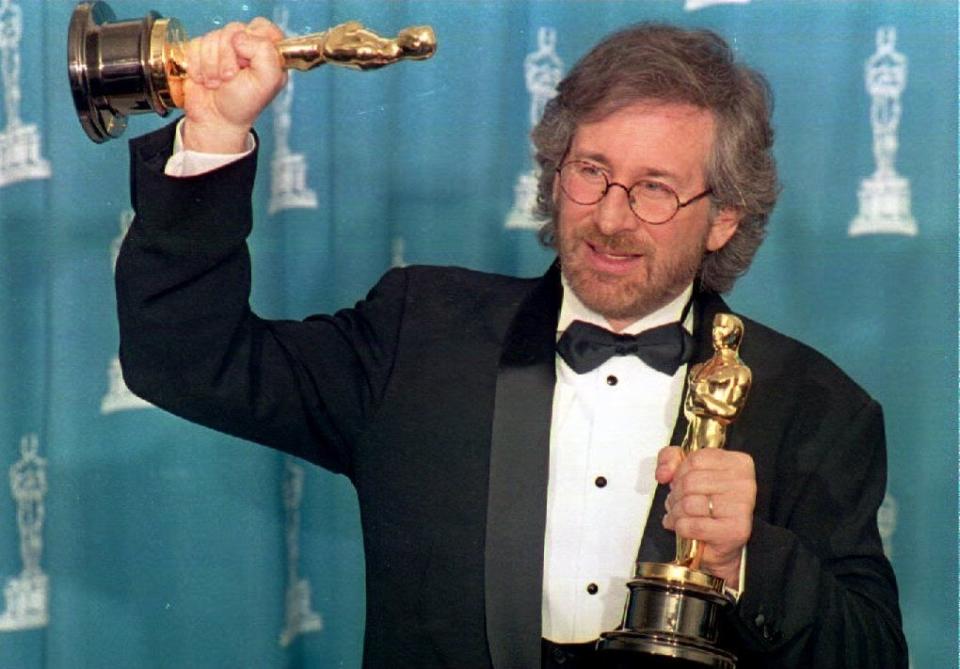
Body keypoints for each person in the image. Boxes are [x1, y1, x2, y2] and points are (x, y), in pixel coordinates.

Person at [115, 18, 907, 669]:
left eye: (656, 188)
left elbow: (872, 655)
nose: (610, 216)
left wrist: (748, 560)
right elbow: (188, 361)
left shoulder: (816, 408)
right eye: (591, 171)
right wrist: (215, 132)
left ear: (724, 217)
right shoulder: (418, 332)